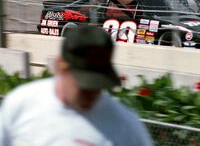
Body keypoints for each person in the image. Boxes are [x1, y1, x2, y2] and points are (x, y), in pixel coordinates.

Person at [0, 26, 154, 146]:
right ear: (60, 66)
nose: (92, 92)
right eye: (84, 84)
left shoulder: (126, 126)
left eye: (98, 85)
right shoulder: (21, 103)